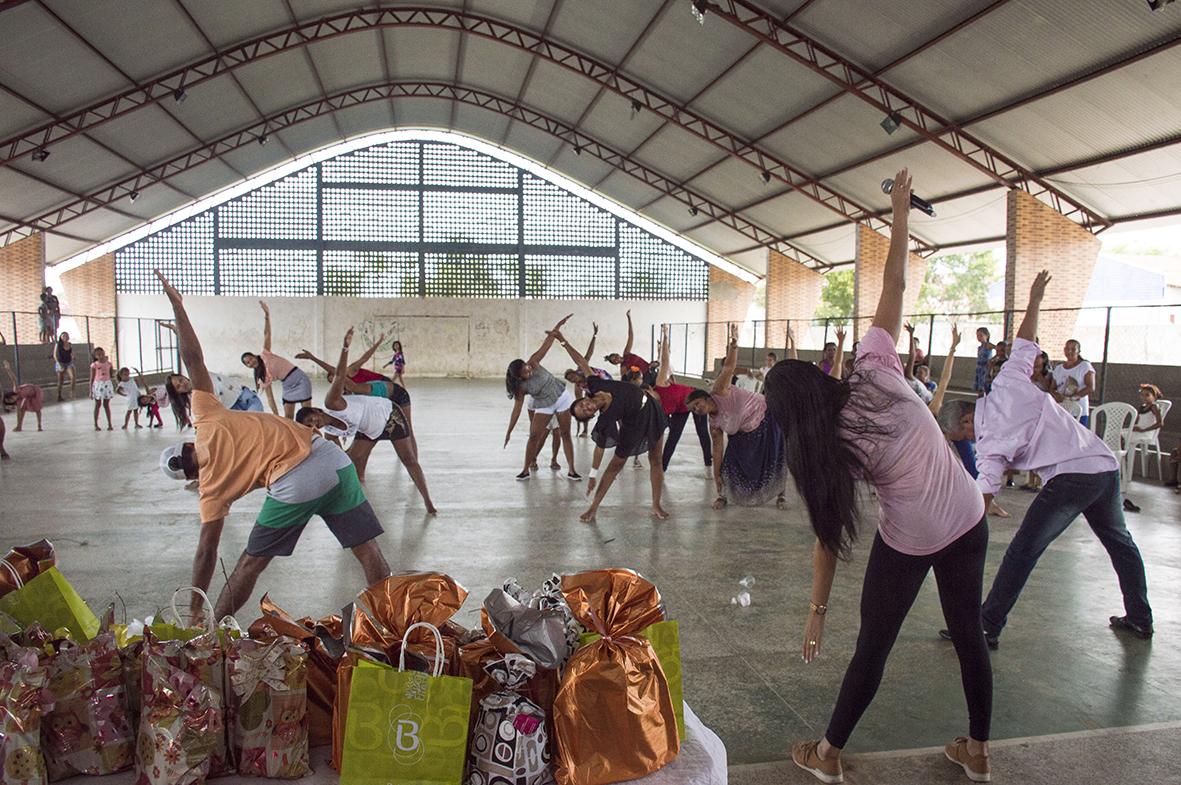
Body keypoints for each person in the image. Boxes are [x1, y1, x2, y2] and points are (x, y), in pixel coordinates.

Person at [766, 169, 992, 785]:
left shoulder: (826, 452)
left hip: (915, 533)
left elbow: (826, 539)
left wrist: (817, 611)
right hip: (969, 515)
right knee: (969, 632)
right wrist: (897, 210)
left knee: (875, 643)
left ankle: (829, 754)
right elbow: (894, 279)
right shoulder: (873, 364)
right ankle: (977, 750)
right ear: (819, 376)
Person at [153, 270, 391, 620]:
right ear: (188, 444)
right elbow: (194, 360)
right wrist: (178, 307)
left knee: (250, 564)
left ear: (191, 478)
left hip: (294, 480)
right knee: (367, 549)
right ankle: (394, 623)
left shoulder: (211, 493)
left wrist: (193, 607)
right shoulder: (205, 418)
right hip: (332, 458)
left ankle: (210, 632)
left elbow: (206, 553)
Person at [948, 271, 1153, 653]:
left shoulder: (990, 444)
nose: (968, 443)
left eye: (962, 438)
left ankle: (987, 626)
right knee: (1120, 543)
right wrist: (1035, 298)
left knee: (1024, 548)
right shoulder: (1007, 381)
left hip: (1072, 476)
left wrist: (960, 535)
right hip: (1102, 465)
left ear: (964, 421)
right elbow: (1026, 341)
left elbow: (985, 495)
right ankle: (1140, 617)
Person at [296, 329, 437, 515]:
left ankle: (428, 502)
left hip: (389, 416)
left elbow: (339, 375)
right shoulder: (329, 430)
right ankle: (353, 504)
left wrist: (345, 347)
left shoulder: (332, 402)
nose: (315, 424)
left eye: (312, 419)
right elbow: (337, 456)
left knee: (408, 459)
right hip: (369, 429)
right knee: (353, 461)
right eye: (311, 425)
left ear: (317, 411)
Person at [558, 327, 669, 522]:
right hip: (633, 427)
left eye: (582, 405)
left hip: (652, 410)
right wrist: (592, 474)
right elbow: (599, 450)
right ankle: (593, 508)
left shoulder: (594, 384)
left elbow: (581, 361)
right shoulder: (605, 419)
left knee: (656, 459)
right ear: (591, 415)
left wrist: (563, 340)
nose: (586, 407)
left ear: (584, 399)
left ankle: (656, 504)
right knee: (615, 466)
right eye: (585, 412)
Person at [686, 324, 789, 509]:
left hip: (766, 417)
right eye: (694, 410)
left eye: (697, 405)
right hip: (743, 432)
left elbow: (728, 367)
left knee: (774, 457)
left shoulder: (719, 390)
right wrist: (716, 474)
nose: (697, 410)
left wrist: (734, 345)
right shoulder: (714, 424)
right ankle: (723, 495)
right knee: (729, 463)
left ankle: (781, 494)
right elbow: (717, 450)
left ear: (704, 397)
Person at [504, 315, 579, 482]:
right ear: (518, 377)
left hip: (562, 398)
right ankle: (525, 470)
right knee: (534, 436)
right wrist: (509, 431)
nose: (529, 370)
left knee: (565, 433)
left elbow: (547, 344)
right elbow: (516, 411)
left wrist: (557, 327)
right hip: (544, 404)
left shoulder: (533, 361)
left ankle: (572, 471)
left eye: (527, 367)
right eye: (525, 372)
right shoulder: (521, 389)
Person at [652, 324, 712, 473]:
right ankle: (663, 469)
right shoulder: (660, 410)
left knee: (702, 432)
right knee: (674, 437)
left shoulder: (659, 384)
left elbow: (664, 361)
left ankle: (708, 465)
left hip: (694, 397)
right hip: (681, 410)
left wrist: (665, 337)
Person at [240, 301, 313, 418]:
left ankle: (309, 434)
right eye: (247, 363)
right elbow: (270, 398)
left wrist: (267, 315)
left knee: (307, 415)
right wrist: (276, 416)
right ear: (247, 366)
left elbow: (267, 334)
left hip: (299, 379)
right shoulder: (262, 378)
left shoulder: (265, 355)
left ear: (254, 356)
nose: (250, 362)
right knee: (288, 417)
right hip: (288, 386)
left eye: (250, 359)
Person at [1051, 339, 1095, 427]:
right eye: (1067, 349)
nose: (1069, 351)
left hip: (1078, 410)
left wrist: (1072, 398)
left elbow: (1091, 387)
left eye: (1073, 349)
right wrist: (1056, 395)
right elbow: (1052, 387)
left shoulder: (1084, 366)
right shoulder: (1059, 368)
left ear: (1078, 351)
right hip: (1061, 409)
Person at [603, 310, 652, 383]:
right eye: (614, 361)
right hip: (644, 378)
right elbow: (625, 381)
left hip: (650, 369)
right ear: (615, 364)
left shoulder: (626, 353)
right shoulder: (623, 368)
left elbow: (631, 336)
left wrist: (629, 318)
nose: (616, 359)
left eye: (616, 357)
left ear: (618, 354)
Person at [2, 359, 43, 432]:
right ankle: (19, 426)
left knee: (37, 409)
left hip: (36, 392)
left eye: (10, 398)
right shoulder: (18, 400)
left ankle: (39, 425)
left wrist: (8, 370)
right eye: (10, 401)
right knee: (22, 410)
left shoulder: (16, 390)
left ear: (11, 395)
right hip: (28, 397)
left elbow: (14, 379)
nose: (12, 399)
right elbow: (18, 414)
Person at [903, 322, 933, 405]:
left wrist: (911, 334)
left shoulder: (930, 387)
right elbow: (911, 356)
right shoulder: (913, 381)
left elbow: (912, 356)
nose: (918, 374)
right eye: (917, 373)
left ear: (927, 376)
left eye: (920, 373)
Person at [89, 347, 114, 431]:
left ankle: (109, 424)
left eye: (102, 354)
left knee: (106, 405)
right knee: (97, 404)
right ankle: (96, 424)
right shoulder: (94, 365)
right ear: (96, 356)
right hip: (98, 385)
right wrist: (90, 391)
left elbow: (110, 375)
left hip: (107, 384)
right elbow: (92, 378)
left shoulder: (109, 364)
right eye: (98, 355)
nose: (101, 356)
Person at [54, 332, 76, 401]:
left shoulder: (69, 344)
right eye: (63, 336)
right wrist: (59, 364)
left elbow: (71, 353)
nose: (65, 337)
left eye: (66, 336)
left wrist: (73, 356)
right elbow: (55, 355)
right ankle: (59, 395)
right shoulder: (58, 345)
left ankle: (72, 393)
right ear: (60, 337)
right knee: (61, 380)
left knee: (73, 377)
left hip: (69, 362)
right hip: (61, 362)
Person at [973, 328, 994, 398]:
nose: (979, 337)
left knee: (985, 388)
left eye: (981, 335)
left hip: (986, 369)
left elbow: (999, 349)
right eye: (977, 336)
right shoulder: (979, 347)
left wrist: (992, 360)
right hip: (979, 369)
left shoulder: (988, 345)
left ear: (987, 336)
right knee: (979, 389)